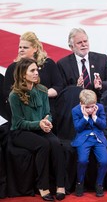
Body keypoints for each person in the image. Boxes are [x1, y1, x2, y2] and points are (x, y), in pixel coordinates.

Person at [8, 58, 66, 201]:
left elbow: (48, 113)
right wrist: (38, 124)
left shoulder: (42, 90)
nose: (36, 73)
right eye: (32, 70)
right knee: (43, 145)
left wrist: (47, 122)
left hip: (41, 128)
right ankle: (43, 186)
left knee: (56, 144)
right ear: (23, 74)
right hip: (21, 132)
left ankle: (60, 185)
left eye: (37, 70)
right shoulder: (14, 95)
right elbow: (19, 122)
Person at [3, 31, 63, 127]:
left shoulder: (48, 64)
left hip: (46, 106)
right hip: (22, 108)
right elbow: (7, 93)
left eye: (25, 47)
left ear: (35, 48)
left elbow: (59, 86)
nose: (21, 50)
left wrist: (43, 95)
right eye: (20, 47)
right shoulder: (12, 68)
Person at [57, 28, 107, 101]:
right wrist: (77, 88)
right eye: (79, 43)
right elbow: (62, 90)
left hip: (100, 101)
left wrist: (101, 85)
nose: (83, 45)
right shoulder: (63, 64)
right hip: (76, 103)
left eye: (85, 41)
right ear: (71, 47)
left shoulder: (101, 59)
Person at [71, 89, 107, 197]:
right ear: (81, 104)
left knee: (104, 161)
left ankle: (99, 184)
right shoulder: (75, 110)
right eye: (87, 107)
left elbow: (103, 126)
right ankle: (79, 183)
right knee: (82, 160)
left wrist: (95, 117)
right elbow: (78, 128)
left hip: (98, 138)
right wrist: (85, 117)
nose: (90, 109)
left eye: (92, 106)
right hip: (83, 138)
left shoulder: (100, 108)